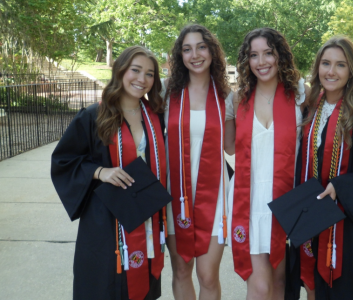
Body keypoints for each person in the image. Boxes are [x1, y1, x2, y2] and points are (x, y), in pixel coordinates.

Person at [51, 46, 167, 300]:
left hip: (147, 215)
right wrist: (99, 171)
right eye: (135, 70)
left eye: (149, 74)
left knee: (144, 285)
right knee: (104, 285)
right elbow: (63, 160)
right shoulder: (95, 116)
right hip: (106, 219)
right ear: (120, 70)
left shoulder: (156, 117)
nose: (142, 79)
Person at [288, 36, 353, 300]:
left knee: (339, 288)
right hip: (311, 215)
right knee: (311, 282)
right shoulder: (308, 113)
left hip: (345, 223)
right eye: (326, 63)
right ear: (317, 68)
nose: (331, 71)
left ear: (351, 72)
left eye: (340, 65)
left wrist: (341, 185)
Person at [225, 27, 309, 300]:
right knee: (260, 286)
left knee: (279, 283)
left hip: (286, 200)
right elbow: (227, 147)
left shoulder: (300, 95)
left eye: (268, 53)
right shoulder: (237, 99)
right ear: (246, 61)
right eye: (254, 55)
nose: (261, 62)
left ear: (280, 55)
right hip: (249, 200)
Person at [161, 24, 232, 300]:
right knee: (181, 271)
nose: (195, 55)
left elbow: (233, 145)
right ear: (180, 56)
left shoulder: (227, 97)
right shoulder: (166, 92)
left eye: (201, 47)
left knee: (207, 274)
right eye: (187, 49)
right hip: (174, 193)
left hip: (215, 196)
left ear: (212, 51)